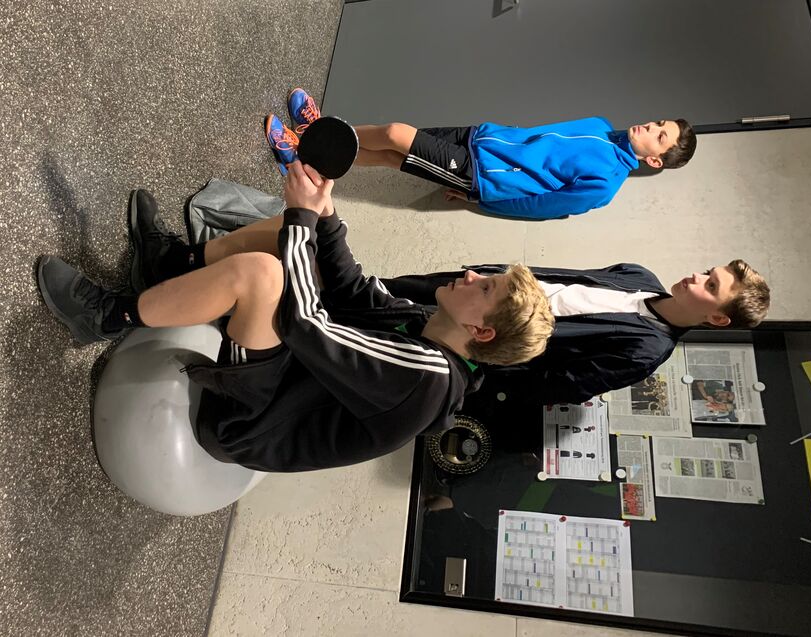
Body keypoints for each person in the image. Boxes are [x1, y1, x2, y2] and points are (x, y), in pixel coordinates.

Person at [35, 162, 555, 472]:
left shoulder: (426, 380)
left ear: (480, 331)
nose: (470, 275)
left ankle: (106, 316)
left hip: (251, 422)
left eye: (484, 287)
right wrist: (323, 213)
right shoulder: (428, 324)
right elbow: (352, 290)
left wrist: (303, 222)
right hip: (290, 375)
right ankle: (169, 265)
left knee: (264, 273)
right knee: (292, 234)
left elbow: (305, 325)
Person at [381, 261, 770, 404]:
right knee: (384, 290)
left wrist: (478, 367)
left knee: (383, 334)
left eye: (710, 286)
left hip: (473, 339)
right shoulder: (639, 275)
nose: (696, 277)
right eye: (708, 272)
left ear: (717, 318)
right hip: (481, 289)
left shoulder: (647, 350)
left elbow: (560, 386)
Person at [352, 116, 697, 219]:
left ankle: (325, 134)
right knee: (390, 156)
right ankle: (325, 157)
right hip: (479, 136)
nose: (650, 126)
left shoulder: (605, 185)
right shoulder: (600, 125)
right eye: (658, 122)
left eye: (659, 135)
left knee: (394, 134)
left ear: (655, 160)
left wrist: (479, 200)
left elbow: (540, 207)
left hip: (479, 172)